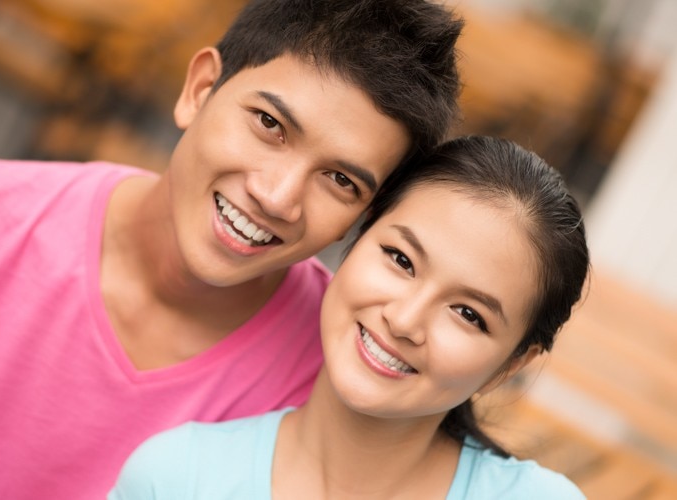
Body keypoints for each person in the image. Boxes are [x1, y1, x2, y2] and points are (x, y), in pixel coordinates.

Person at [0, 1, 463, 498]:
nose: (277, 197)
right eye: (269, 124)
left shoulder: (341, 377)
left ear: (359, 219)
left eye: (340, 180)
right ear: (200, 90)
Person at [109, 136, 590, 499]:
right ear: (356, 240)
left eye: (468, 314)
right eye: (401, 260)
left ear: (509, 365)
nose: (404, 320)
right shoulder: (174, 478)